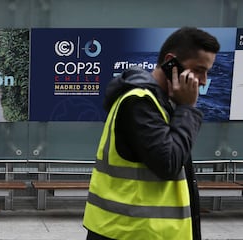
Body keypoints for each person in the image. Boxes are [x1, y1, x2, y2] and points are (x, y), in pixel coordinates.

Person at [83, 27, 220, 240]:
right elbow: (168, 163)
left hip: (143, 231)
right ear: (170, 62)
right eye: (199, 70)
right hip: (130, 232)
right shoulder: (139, 102)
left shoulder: (161, 103)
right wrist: (188, 109)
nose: (203, 81)